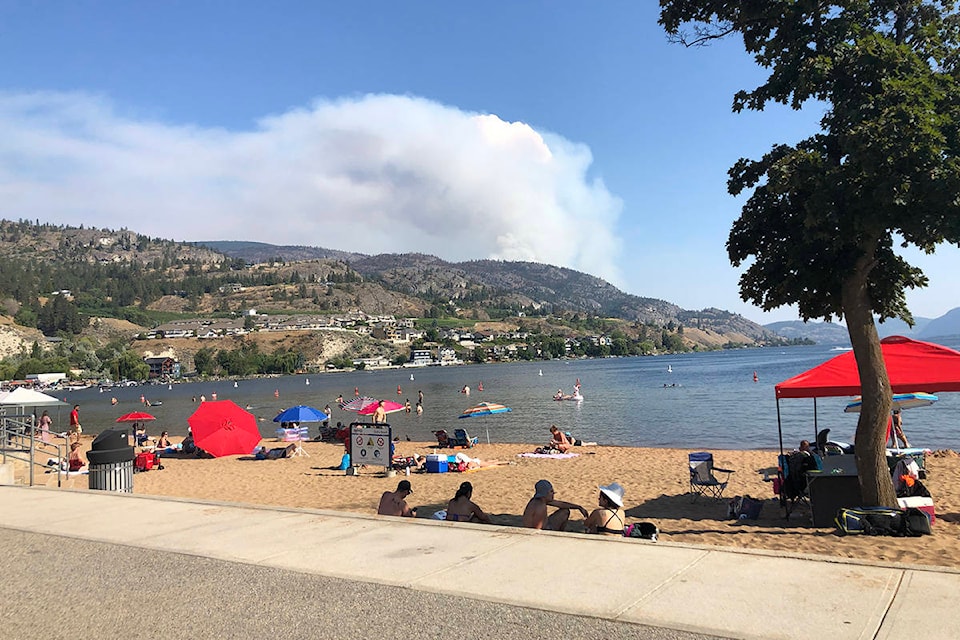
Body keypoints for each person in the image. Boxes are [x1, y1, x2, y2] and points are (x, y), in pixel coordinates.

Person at [522, 480, 587, 531]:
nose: (553, 493)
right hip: (542, 532)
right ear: (545, 494)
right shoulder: (541, 507)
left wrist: (579, 507)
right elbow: (537, 530)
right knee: (564, 513)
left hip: (544, 526)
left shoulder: (540, 500)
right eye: (551, 492)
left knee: (565, 511)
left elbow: (562, 504)